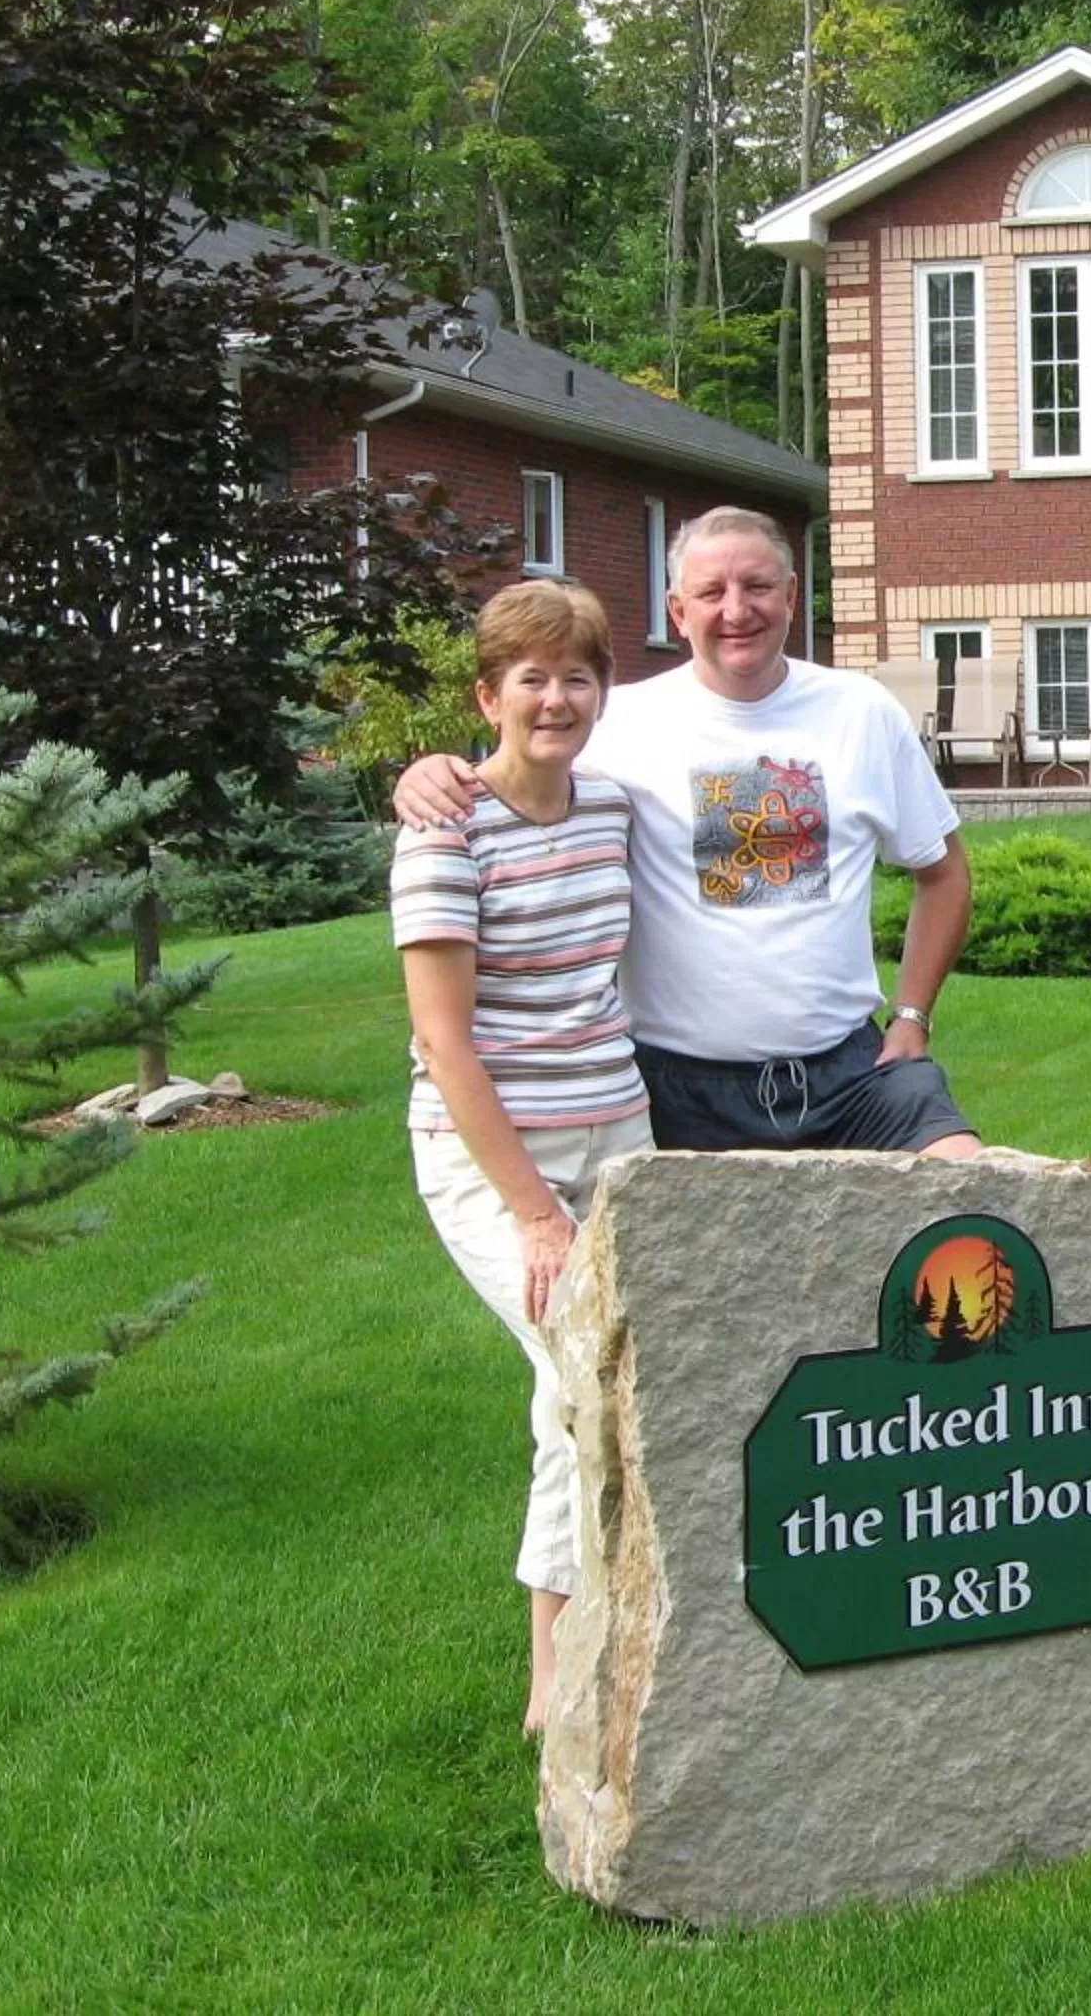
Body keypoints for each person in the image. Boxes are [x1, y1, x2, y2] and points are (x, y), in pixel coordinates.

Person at [397, 505, 980, 1160]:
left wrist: (911, 1018)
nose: (737, 610)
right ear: (678, 611)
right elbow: (521, 774)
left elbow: (945, 873)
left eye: (757, 586)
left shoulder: (863, 712)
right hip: (675, 1089)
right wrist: (432, 772)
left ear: (790, 596)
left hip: (854, 1076)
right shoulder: (619, 725)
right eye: (712, 593)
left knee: (969, 1201)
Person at [392, 578, 651, 1736]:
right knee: (575, 1373)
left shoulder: (610, 811)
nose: (556, 699)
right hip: (493, 1155)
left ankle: (615, 1630)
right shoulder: (445, 839)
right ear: (486, 695)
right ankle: (555, 1670)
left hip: (619, 1136)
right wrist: (536, 1215)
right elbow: (446, 1046)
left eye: (578, 676)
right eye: (531, 679)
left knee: (615, 1379)